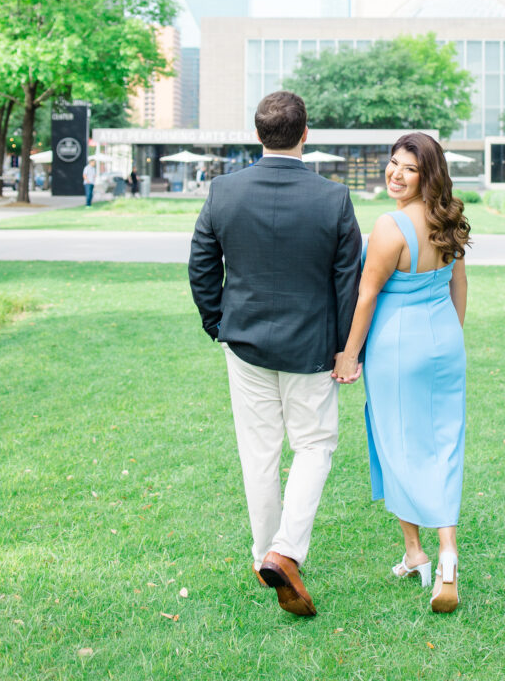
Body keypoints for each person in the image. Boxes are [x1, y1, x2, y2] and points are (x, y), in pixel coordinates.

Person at [189, 91, 361, 617]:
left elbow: (201, 266)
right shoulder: (334, 198)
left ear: (258, 134)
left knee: (258, 452)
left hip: (246, 346)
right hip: (311, 347)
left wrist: (219, 324)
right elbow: (347, 281)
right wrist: (344, 349)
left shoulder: (223, 191)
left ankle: (268, 552)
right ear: (305, 133)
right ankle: (284, 551)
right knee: (313, 446)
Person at [333, 132, 470, 614]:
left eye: (408, 168)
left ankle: (420, 551)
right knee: (444, 443)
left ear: (426, 175)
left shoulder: (391, 226)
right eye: (393, 163)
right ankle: (437, 555)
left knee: (398, 444)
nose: (395, 173)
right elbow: (459, 285)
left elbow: (367, 296)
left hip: (398, 347)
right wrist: (448, 337)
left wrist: (349, 355)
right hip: (445, 342)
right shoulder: (447, 220)